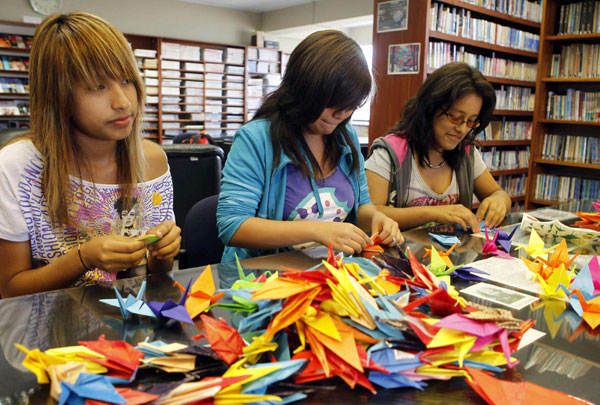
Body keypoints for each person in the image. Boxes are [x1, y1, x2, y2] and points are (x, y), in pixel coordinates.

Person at [0, 12, 181, 298]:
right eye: (97, 87)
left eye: (126, 81)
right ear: (57, 95)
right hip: (46, 334)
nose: (122, 102)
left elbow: (157, 278)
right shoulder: (16, 168)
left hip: (131, 329)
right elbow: (10, 290)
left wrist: (163, 254)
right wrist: (82, 259)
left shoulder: (153, 161)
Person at [217, 30, 403, 262]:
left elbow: (362, 205)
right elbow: (232, 226)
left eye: (350, 106)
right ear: (305, 90)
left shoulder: (346, 136)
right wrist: (317, 230)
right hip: (263, 281)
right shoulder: (256, 139)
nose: (341, 115)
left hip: (330, 273)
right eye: (334, 104)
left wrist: (377, 217)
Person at [365, 62, 511, 233]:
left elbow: (498, 194)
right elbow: (368, 217)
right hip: (399, 255)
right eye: (455, 117)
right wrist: (433, 213)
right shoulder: (389, 152)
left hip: (451, 257)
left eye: (471, 121)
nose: (463, 129)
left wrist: (499, 200)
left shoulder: (466, 153)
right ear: (430, 108)